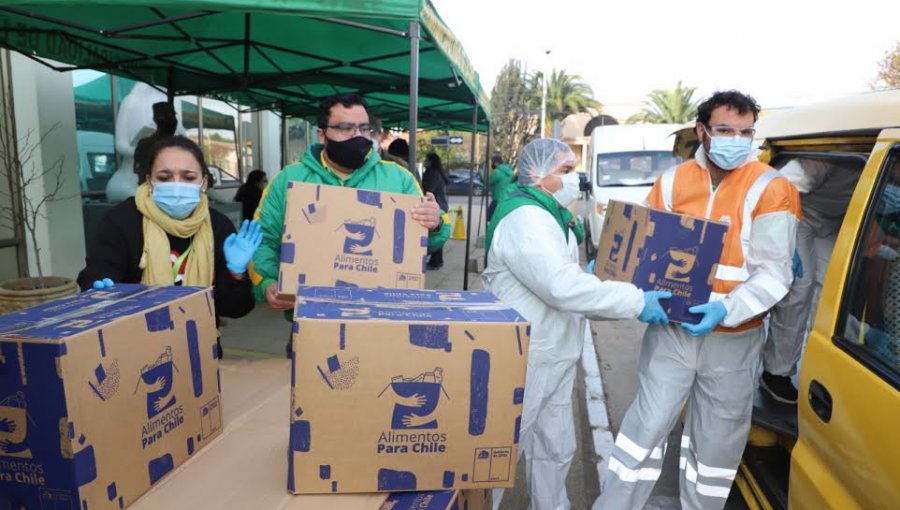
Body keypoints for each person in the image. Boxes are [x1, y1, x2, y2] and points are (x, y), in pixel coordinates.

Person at [595, 91, 801, 510]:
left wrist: (728, 308)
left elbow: (776, 271)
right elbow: (649, 250)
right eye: (725, 130)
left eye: (746, 132)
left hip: (735, 337)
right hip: (671, 330)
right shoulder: (672, 180)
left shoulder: (773, 187)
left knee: (716, 445)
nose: (736, 140)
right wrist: (633, 288)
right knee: (645, 429)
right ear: (702, 131)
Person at [482, 138, 672, 510]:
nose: (575, 180)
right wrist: (635, 300)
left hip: (552, 352)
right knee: (500, 455)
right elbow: (561, 287)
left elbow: (563, 277)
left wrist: (591, 276)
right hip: (525, 357)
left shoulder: (549, 213)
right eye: (566, 171)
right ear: (537, 174)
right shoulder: (527, 217)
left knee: (555, 448)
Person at [249, 93, 451, 313]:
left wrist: (436, 223)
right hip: (312, 316)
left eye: (364, 128)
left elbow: (422, 245)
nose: (358, 136)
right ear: (322, 135)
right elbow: (263, 239)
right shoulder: (288, 180)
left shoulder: (399, 179)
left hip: (382, 316)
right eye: (346, 127)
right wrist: (266, 282)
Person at [77, 135, 259, 347]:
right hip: (134, 349)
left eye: (188, 177)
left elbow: (236, 309)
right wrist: (98, 293)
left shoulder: (218, 227)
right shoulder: (121, 222)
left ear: (204, 183)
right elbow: (96, 274)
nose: (176, 185)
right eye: (164, 177)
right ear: (150, 182)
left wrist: (236, 274)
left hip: (197, 347)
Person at [761, 157, 861, 403]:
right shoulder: (831, 156)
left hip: (833, 223)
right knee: (800, 290)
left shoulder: (879, 156)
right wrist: (779, 235)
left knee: (833, 294)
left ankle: (826, 371)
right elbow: (779, 188)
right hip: (799, 217)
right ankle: (776, 372)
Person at [133, 102, 179, 182]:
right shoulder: (146, 145)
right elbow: (140, 173)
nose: (172, 121)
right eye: (166, 118)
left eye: (173, 116)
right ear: (156, 120)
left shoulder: (182, 144)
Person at [422, 152, 449, 269]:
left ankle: (436, 261)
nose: (425, 162)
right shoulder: (439, 172)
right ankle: (437, 261)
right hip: (443, 205)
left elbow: (428, 189)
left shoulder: (432, 173)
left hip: (436, 205)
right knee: (438, 234)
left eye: (426, 159)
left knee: (434, 234)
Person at [486, 155, 514, 221]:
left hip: (497, 198)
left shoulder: (498, 172)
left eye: (492, 163)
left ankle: (491, 229)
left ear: (496, 163)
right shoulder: (510, 171)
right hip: (507, 197)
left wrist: (483, 175)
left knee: (489, 216)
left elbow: (489, 181)